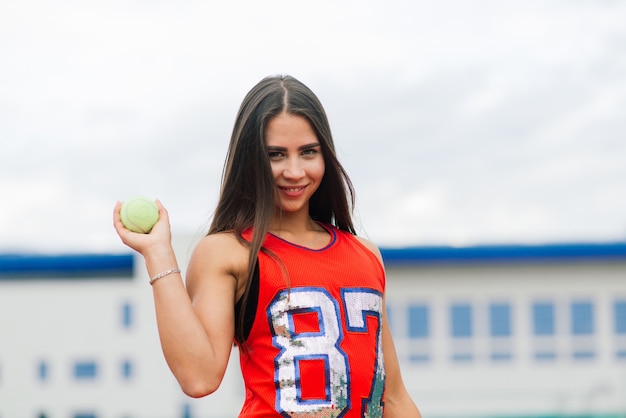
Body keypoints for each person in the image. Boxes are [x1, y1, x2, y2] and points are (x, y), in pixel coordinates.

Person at [113, 75, 421, 417]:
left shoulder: (366, 255)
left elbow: (392, 397)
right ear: (251, 160)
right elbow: (198, 377)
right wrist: (158, 253)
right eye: (275, 155)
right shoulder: (227, 252)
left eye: (308, 153)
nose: (294, 171)